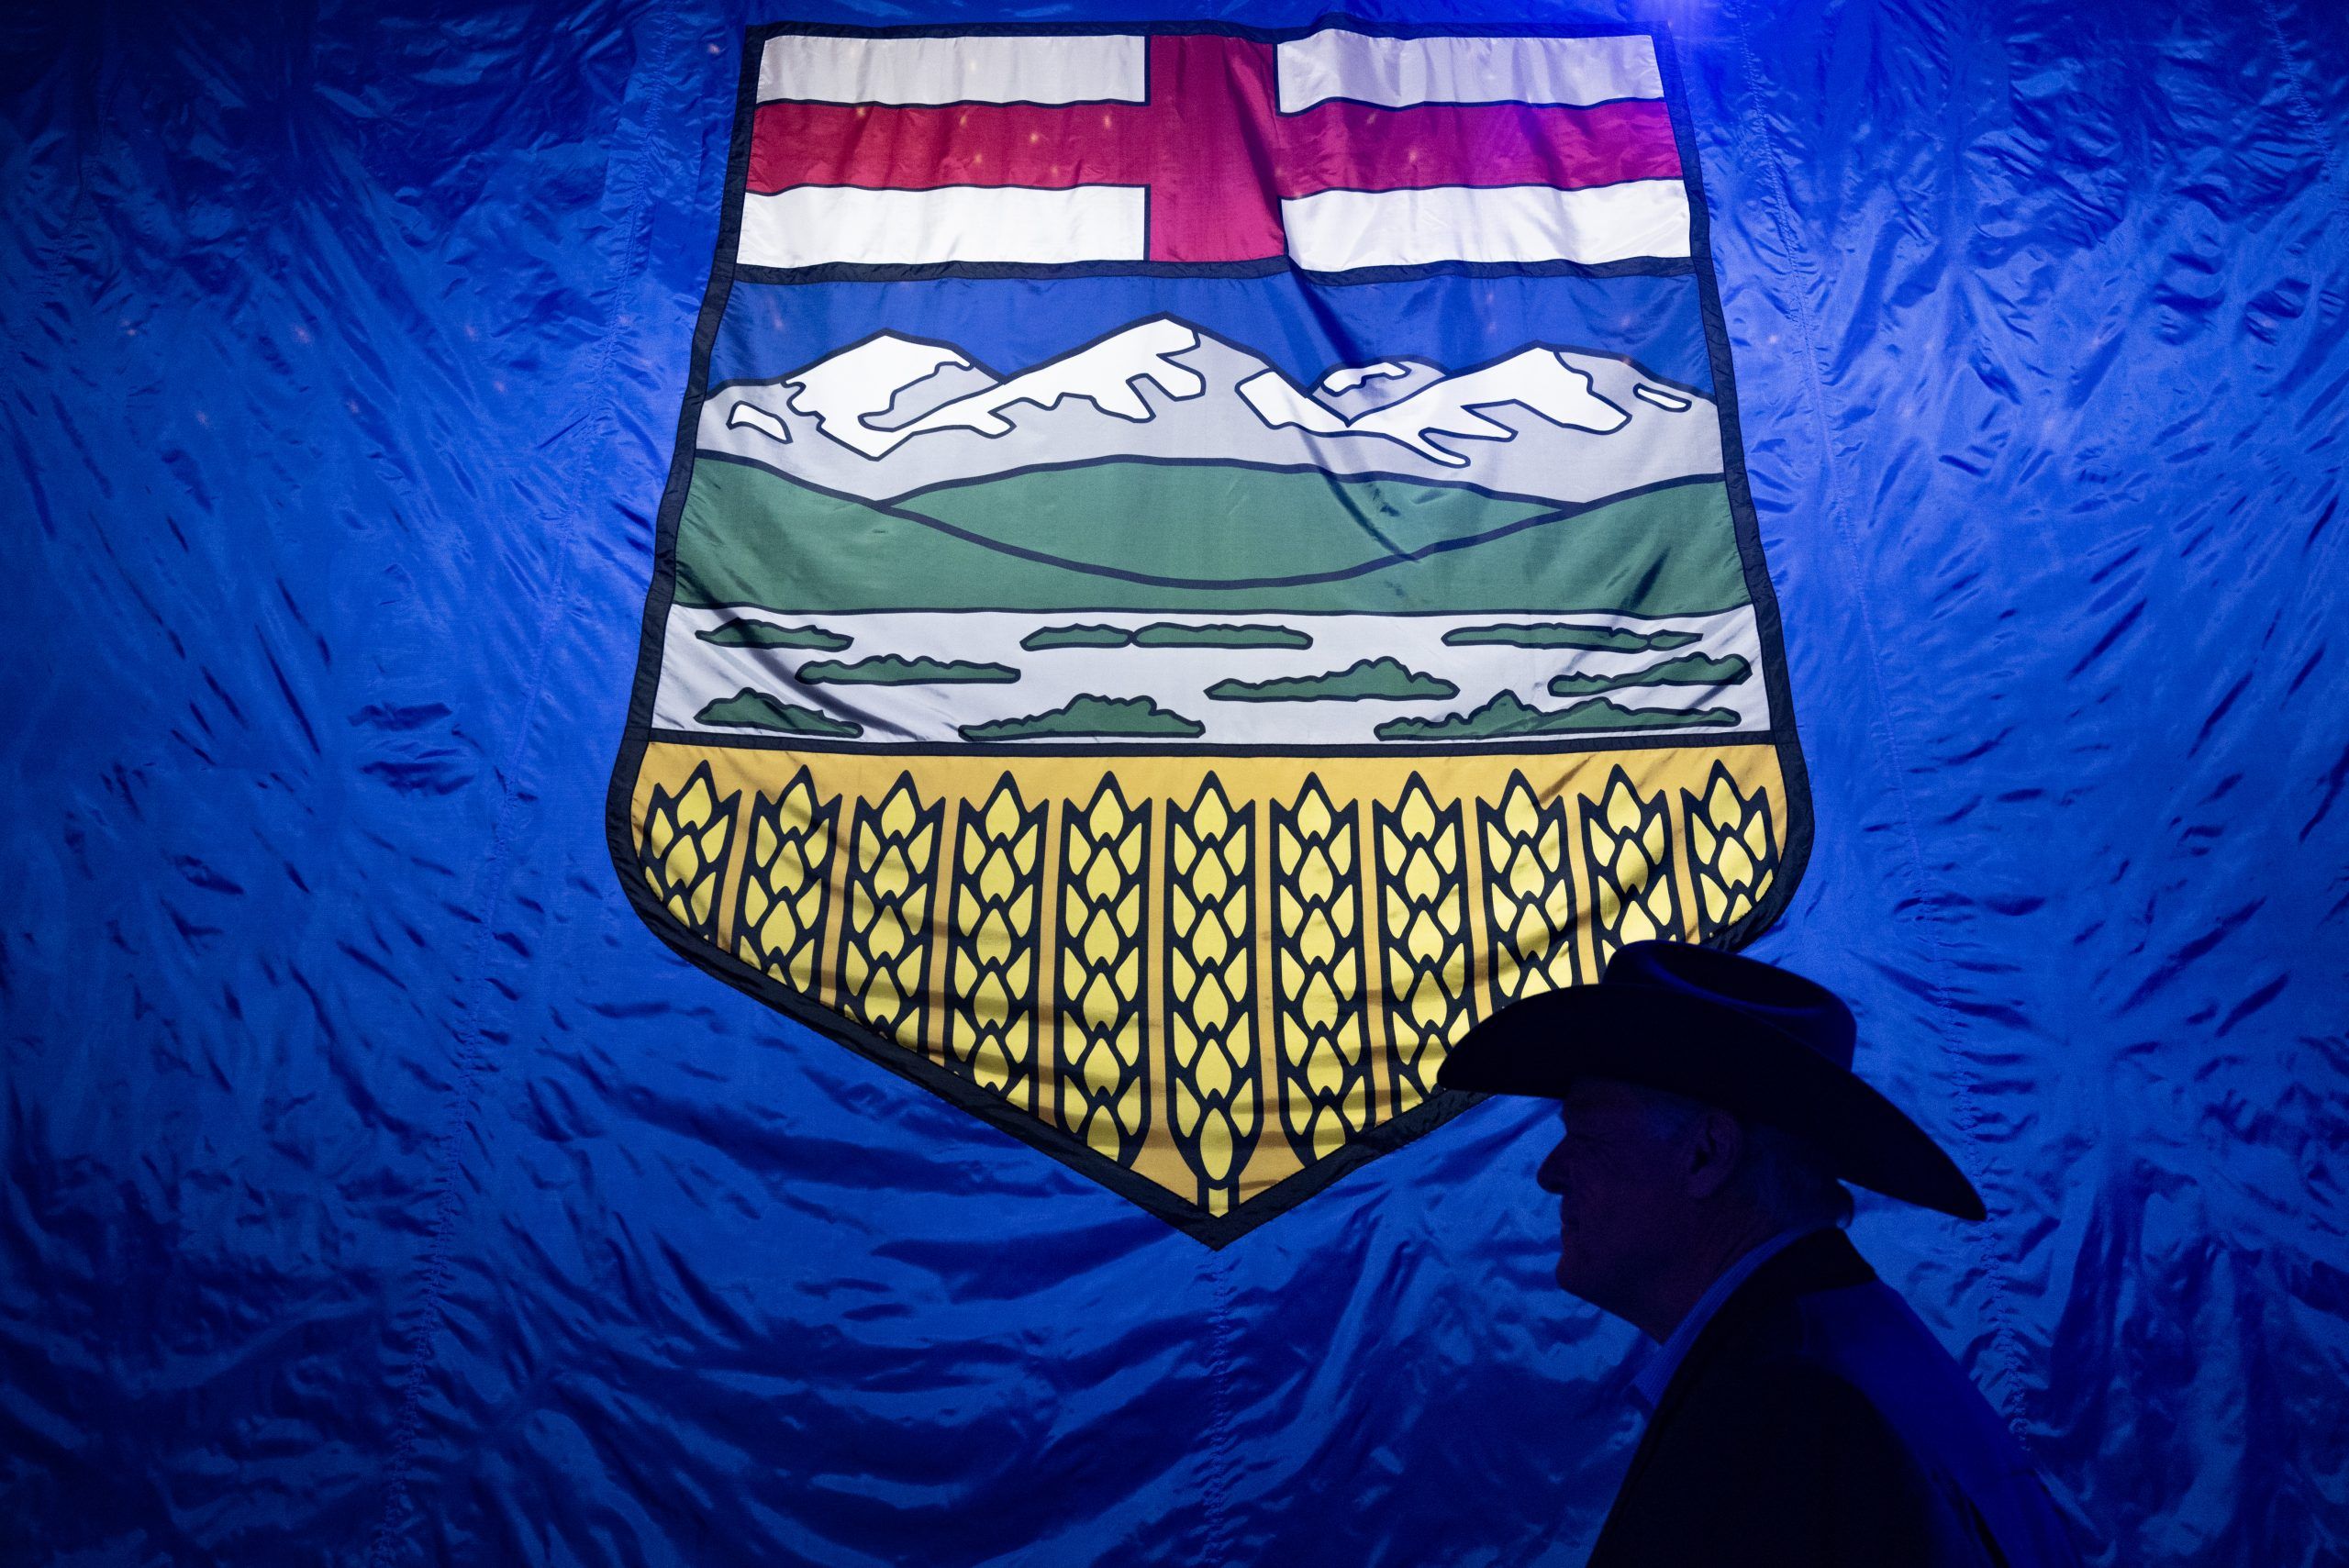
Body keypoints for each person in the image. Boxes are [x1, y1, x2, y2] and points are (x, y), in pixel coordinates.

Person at [1437, 940, 2086, 1568]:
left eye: (1586, 1134)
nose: (1551, 1172)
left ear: (1705, 1154)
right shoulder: (1862, 1357)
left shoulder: (1784, 1410)